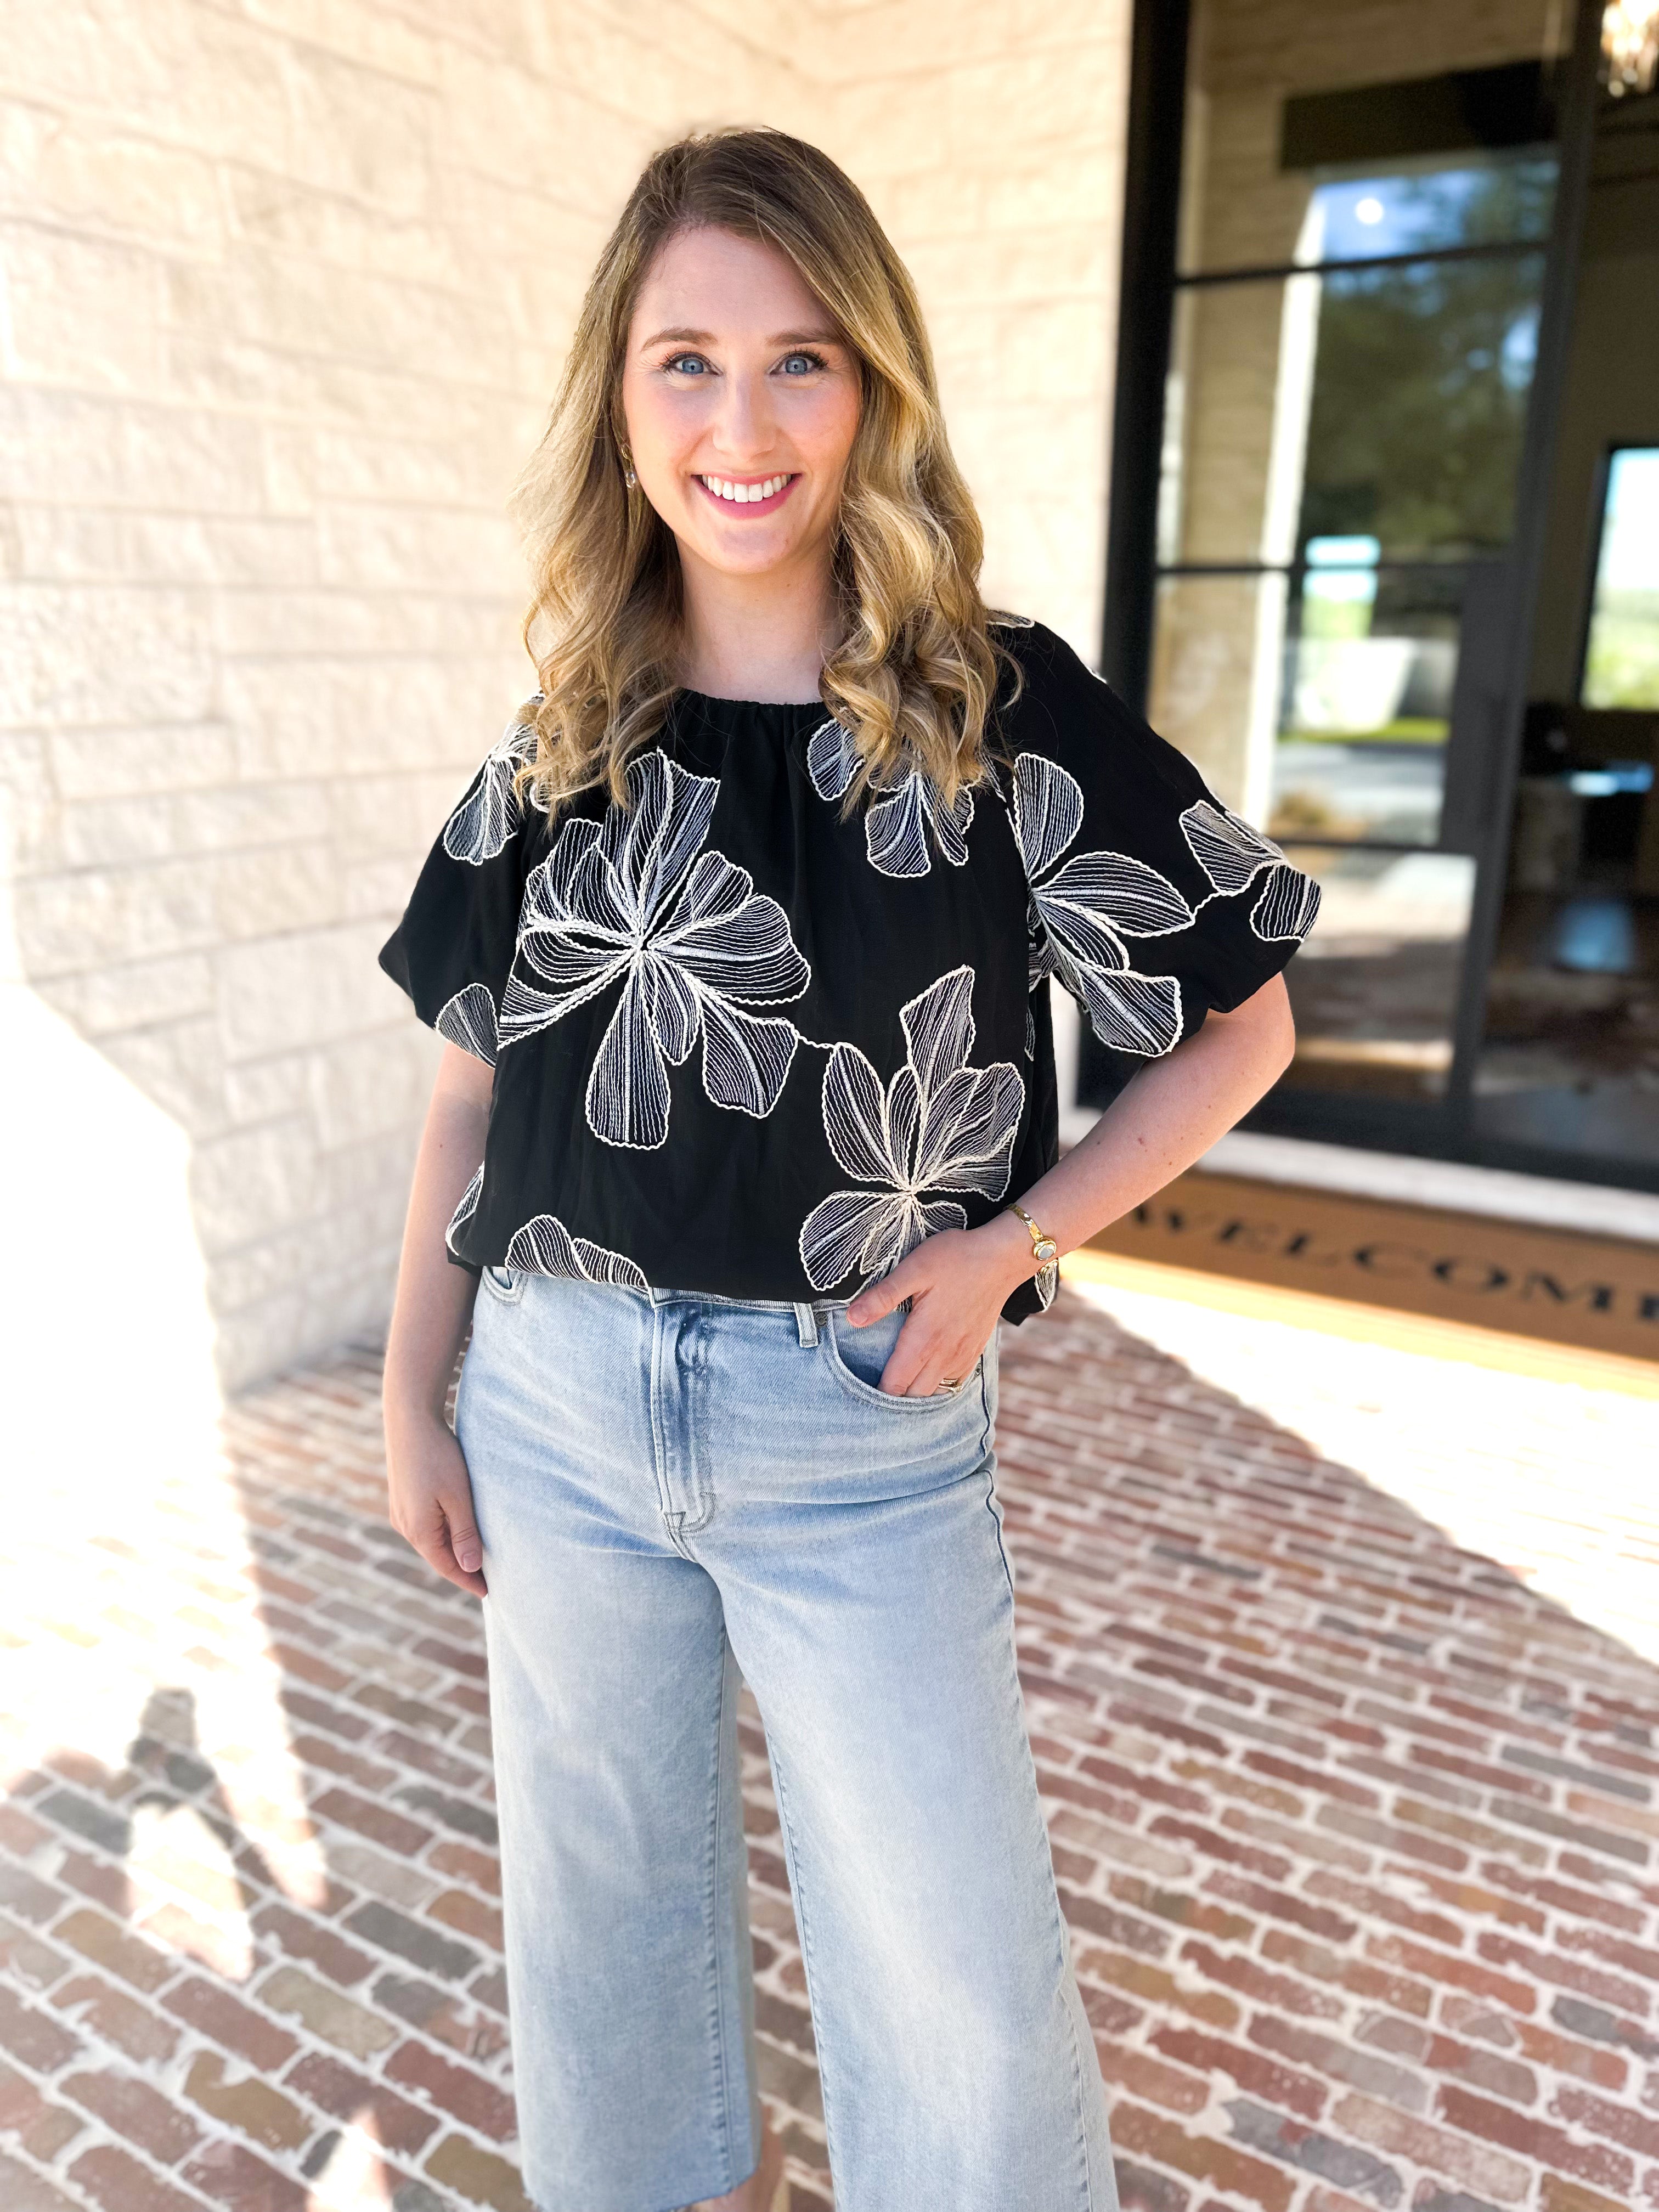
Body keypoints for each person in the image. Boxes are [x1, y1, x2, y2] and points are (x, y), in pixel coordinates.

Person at [378, 126, 1317, 2212]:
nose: (742, 421)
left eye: (802, 360)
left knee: (963, 2012)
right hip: (551, 1405)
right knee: (606, 1969)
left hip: (861, 1427)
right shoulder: (563, 740)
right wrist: (408, 1387)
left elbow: (1241, 1026)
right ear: (617, 409)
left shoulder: (998, 712)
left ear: (875, 386)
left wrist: (1013, 1248)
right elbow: (467, 1092)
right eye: (683, 362)